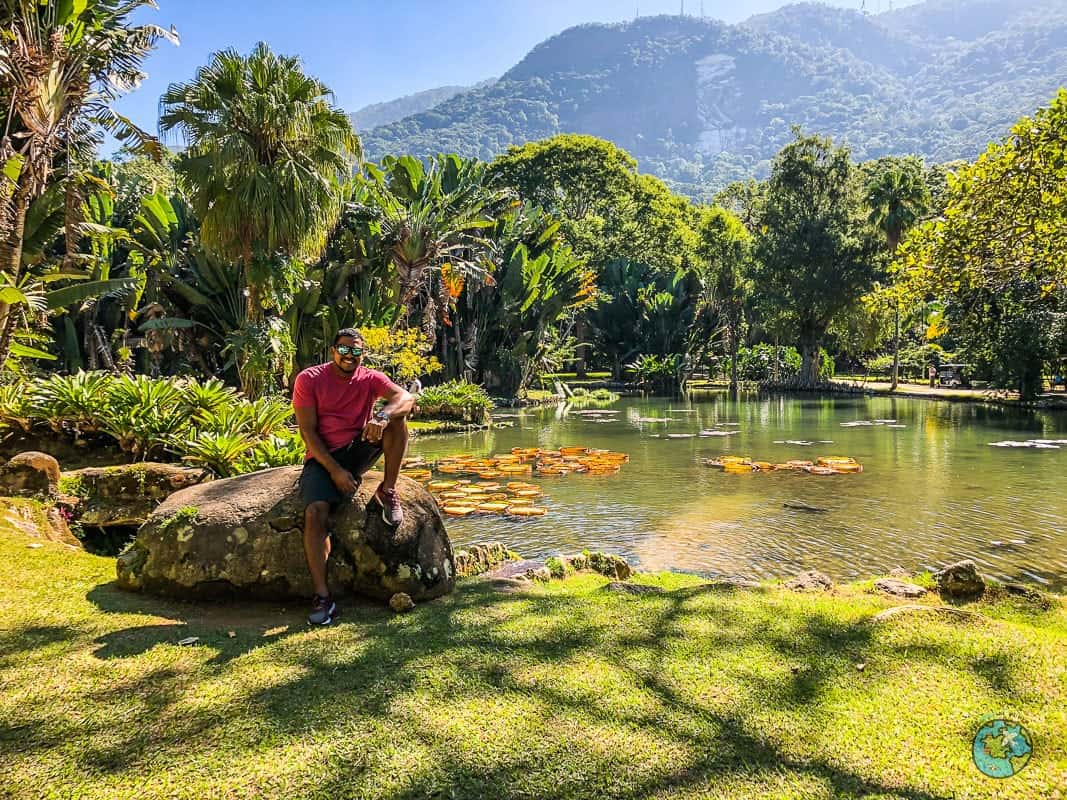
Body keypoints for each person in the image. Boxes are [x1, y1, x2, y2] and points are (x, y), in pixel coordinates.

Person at [292, 328, 415, 626]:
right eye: (343, 350)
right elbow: (307, 431)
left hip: (358, 449)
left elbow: (406, 397)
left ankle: (387, 490)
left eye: (355, 352)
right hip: (323, 457)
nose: (349, 357)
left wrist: (382, 416)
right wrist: (334, 470)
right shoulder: (309, 379)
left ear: (363, 354)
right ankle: (322, 595)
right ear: (333, 350)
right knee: (315, 513)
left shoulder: (370, 377)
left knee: (397, 420)